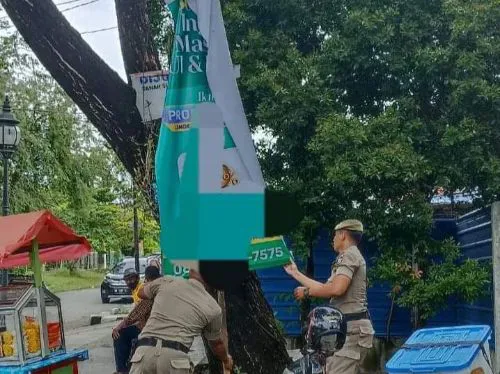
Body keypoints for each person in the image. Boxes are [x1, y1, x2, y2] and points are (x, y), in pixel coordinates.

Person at [284, 219, 375, 374]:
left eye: (335, 235)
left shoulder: (349, 255)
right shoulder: (347, 257)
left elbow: (337, 289)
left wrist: (307, 292)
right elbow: (325, 288)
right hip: (348, 330)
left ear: (343, 235)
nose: (333, 239)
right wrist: (295, 272)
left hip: (352, 331)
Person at [129, 269, 233, 374]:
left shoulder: (167, 281)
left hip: (143, 354)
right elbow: (217, 344)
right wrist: (226, 360)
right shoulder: (213, 307)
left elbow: (141, 293)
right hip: (174, 360)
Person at [112, 266, 161, 374]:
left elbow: (136, 314)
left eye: (131, 279)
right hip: (153, 327)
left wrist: (119, 326)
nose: (129, 282)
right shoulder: (165, 287)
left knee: (120, 333)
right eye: (127, 280)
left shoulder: (148, 291)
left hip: (152, 330)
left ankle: (122, 370)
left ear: (146, 279)